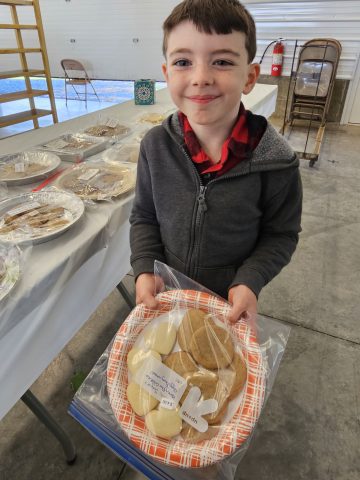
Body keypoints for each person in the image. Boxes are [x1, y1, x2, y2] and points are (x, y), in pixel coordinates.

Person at [129, 0, 302, 322]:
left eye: (221, 61)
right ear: (167, 74)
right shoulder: (155, 146)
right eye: (183, 61)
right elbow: (144, 217)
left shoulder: (277, 162)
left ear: (249, 77)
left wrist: (250, 280)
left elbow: (281, 234)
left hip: (228, 304)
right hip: (168, 295)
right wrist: (144, 268)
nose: (200, 77)